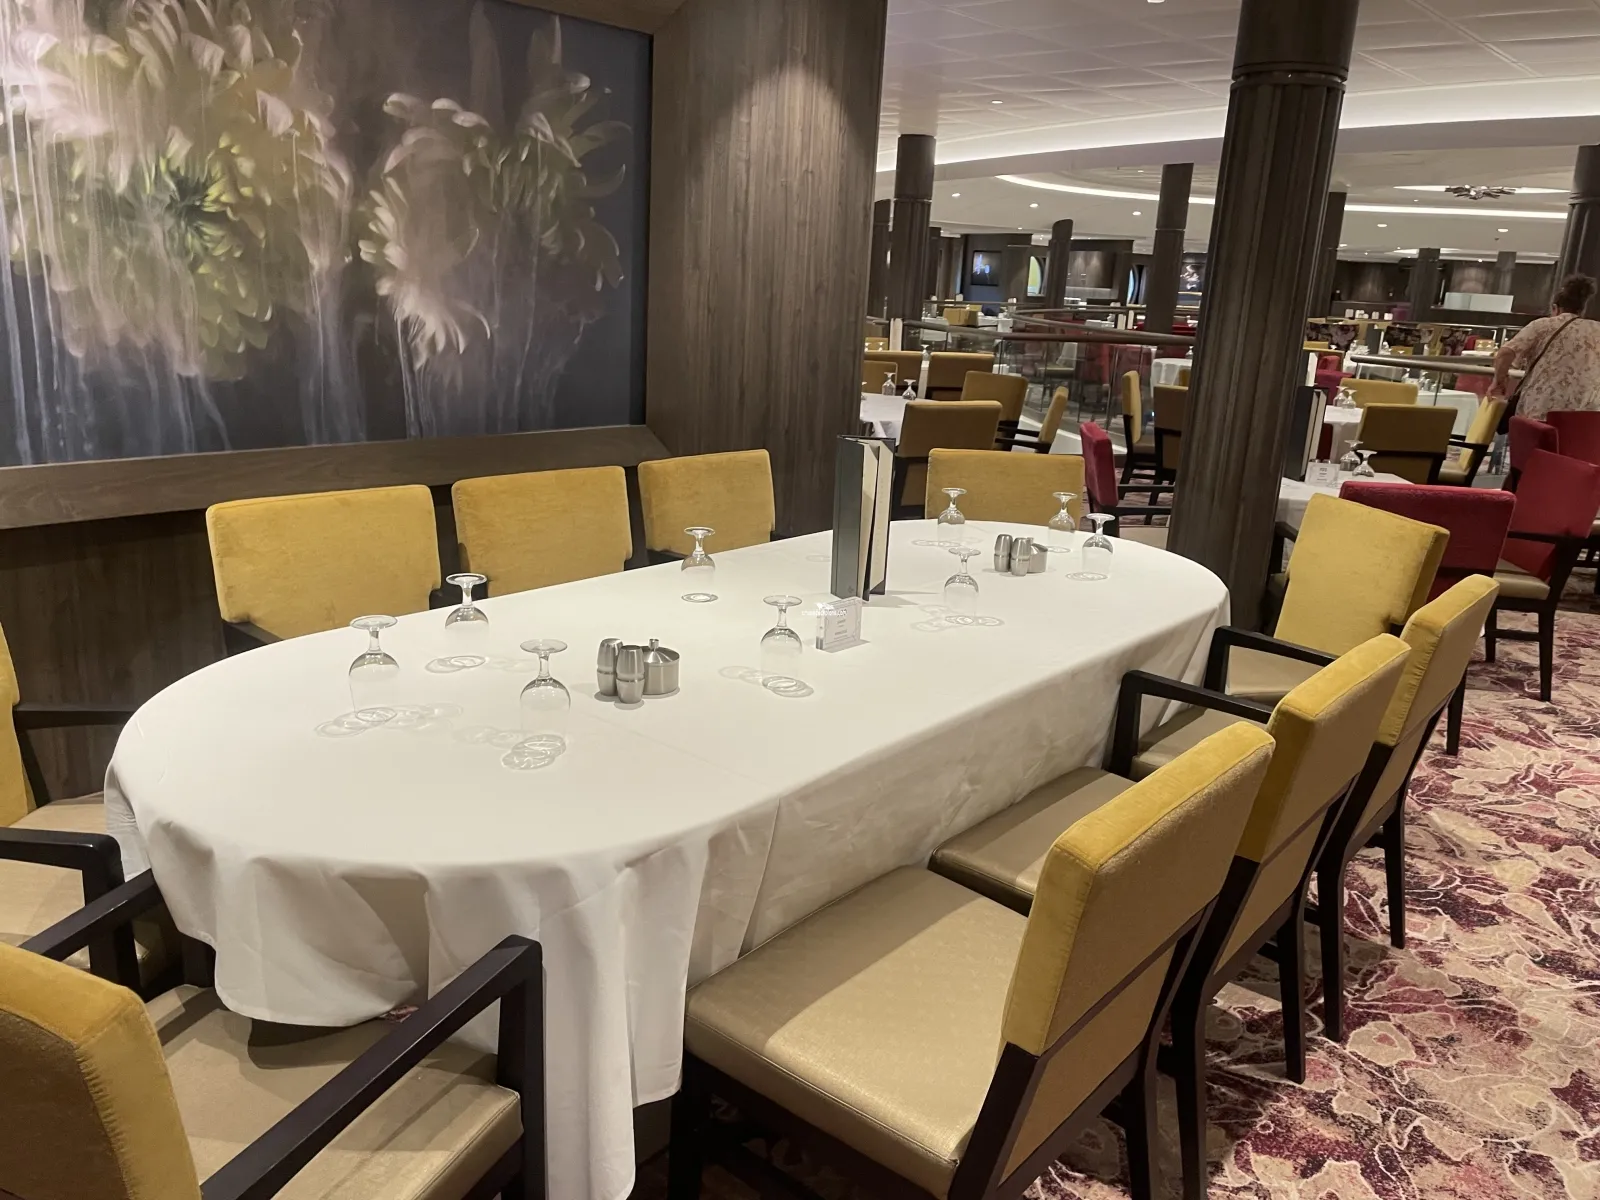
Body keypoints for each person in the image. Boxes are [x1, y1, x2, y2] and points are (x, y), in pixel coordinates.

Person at [1492, 274, 1600, 420]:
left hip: (1539, 410)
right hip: (1586, 416)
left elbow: (1505, 353)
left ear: (1555, 308)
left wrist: (1498, 382)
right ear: (1582, 309)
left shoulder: (1543, 325)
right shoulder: (1597, 329)